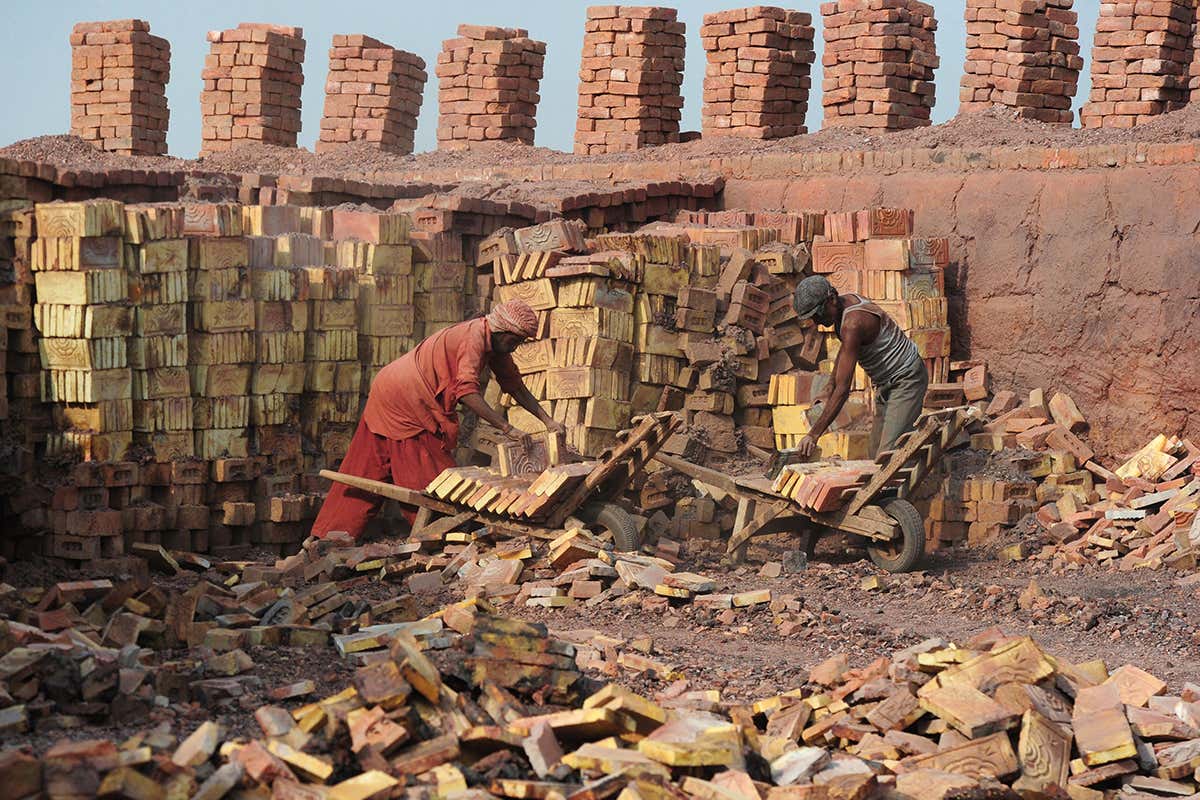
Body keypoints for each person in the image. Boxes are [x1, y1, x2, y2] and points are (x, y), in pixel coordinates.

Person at [309, 299, 564, 542]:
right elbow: (466, 393)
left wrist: (548, 421)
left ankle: (327, 535)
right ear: (502, 330)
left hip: (392, 389)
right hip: (407, 400)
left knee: (366, 467)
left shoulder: (493, 343)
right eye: (515, 341)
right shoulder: (474, 337)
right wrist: (506, 428)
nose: (515, 347)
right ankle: (443, 538)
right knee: (434, 480)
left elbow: (515, 387)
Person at [791, 275, 928, 459]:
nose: (816, 322)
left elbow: (843, 390)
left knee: (888, 458)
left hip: (906, 379)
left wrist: (813, 435)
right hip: (886, 383)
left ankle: (924, 482)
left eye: (818, 314)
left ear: (831, 299)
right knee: (873, 457)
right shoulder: (843, 308)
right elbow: (845, 350)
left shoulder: (853, 323)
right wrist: (829, 386)